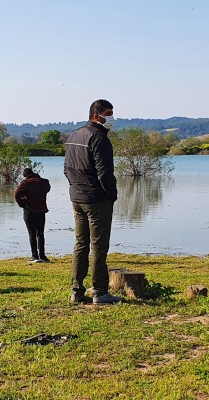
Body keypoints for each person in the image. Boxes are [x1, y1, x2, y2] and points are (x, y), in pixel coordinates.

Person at [64, 99, 121, 304]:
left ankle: (76, 292)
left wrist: (76, 188)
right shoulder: (99, 138)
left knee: (80, 245)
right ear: (96, 116)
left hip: (77, 197)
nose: (111, 118)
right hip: (97, 200)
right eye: (108, 113)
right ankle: (100, 292)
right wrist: (111, 195)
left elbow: (66, 169)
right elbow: (105, 173)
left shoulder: (74, 136)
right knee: (98, 247)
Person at [14, 168, 51, 263]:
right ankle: (42, 256)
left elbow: (17, 194)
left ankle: (34, 256)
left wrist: (22, 203)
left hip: (29, 211)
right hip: (41, 211)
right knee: (40, 234)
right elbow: (47, 190)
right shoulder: (44, 182)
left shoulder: (25, 183)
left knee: (32, 233)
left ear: (25, 175)